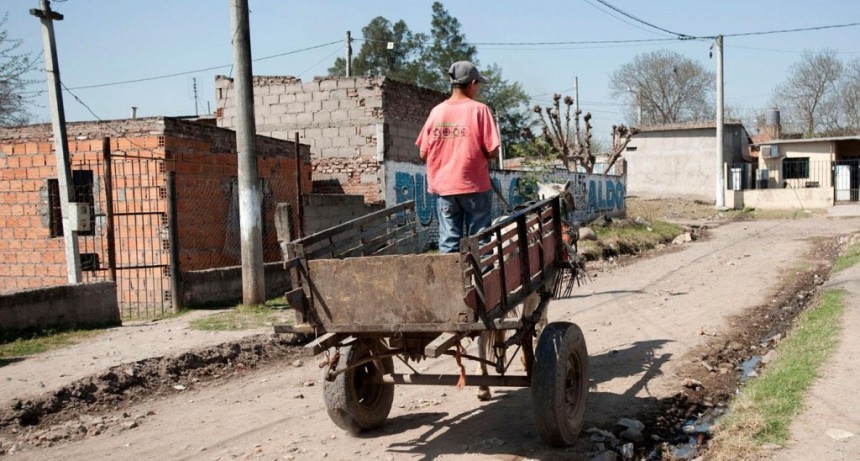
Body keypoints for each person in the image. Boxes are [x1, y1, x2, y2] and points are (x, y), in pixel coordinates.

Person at [415, 61, 501, 253]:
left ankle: (453, 282)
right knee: (479, 241)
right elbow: (493, 151)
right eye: (478, 84)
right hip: (474, 186)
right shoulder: (480, 110)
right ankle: (481, 282)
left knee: (449, 241)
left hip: (445, 189)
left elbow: (423, 153)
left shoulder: (436, 112)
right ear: (472, 83)